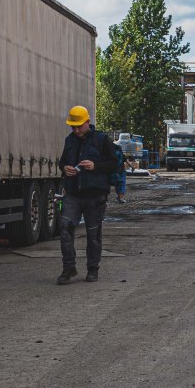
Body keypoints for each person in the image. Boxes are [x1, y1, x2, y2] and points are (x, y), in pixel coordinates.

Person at [57, 106, 117, 285]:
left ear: (87, 122)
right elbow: (62, 162)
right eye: (73, 127)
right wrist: (65, 168)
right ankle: (69, 268)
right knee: (65, 227)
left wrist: (95, 166)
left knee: (93, 234)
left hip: (95, 195)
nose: (75, 130)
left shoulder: (101, 140)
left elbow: (114, 163)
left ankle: (93, 268)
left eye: (78, 126)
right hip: (73, 193)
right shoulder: (69, 141)